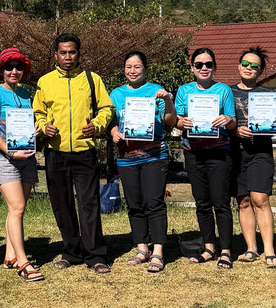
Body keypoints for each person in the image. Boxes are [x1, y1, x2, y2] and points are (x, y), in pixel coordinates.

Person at [33, 33, 114, 274]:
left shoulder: (92, 79)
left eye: (72, 52)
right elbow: (38, 111)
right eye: (63, 52)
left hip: (84, 152)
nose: (68, 57)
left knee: (89, 204)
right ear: (55, 55)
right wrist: (44, 125)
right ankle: (71, 251)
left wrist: (98, 126)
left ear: (79, 53)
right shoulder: (45, 81)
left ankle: (96, 255)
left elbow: (107, 108)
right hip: (55, 151)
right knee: (62, 204)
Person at [109, 51, 177, 273]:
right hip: (127, 158)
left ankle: (157, 251)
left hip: (154, 156)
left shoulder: (155, 90)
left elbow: (169, 120)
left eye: (137, 67)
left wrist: (167, 100)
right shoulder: (116, 94)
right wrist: (113, 132)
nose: (132, 71)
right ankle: (141, 248)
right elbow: (111, 120)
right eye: (128, 67)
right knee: (135, 204)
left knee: (154, 203)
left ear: (145, 69)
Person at [0, 47, 44, 282]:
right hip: (6, 159)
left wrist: (35, 131)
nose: (14, 71)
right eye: (9, 67)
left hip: (27, 158)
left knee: (18, 208)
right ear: (1, 70)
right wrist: (9, 152)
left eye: (18, 67)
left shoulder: (27, 94)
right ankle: (23, 262)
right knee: (17, 207)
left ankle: (9, 255)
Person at [175, 47, 237, 269]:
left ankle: (226, 251)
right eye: (199, 64)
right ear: (192, 67)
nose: (204, 68)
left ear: (214, 67)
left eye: (208, 64)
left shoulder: (224, 91)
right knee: (201, 203)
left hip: (219, 153)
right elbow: (178, 121)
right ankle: (209, 247)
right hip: (193, 152)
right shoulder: (184, 91)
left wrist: (226, 120)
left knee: (221, 203)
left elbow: (233, 123)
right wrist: (183, 122)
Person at [229, 46, 276, 268]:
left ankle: (270, 251)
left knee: (260, 199)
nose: (249, 68)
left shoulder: (268, 95)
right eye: (245, 63)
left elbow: (273, 129)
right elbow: (220, 123)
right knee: (243, 200)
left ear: (260, 70)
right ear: (238, 66)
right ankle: (251, 249)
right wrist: (235, 131)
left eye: (254, 66)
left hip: (261, 152)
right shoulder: (227, 92)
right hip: (235, 152)